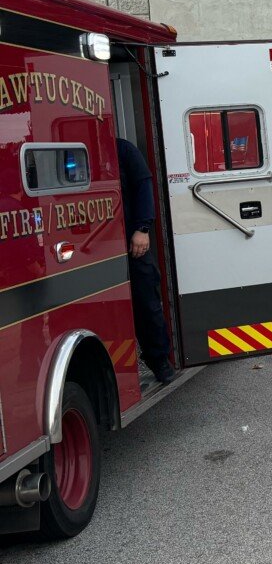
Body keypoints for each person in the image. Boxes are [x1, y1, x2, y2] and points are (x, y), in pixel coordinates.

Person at [116, 138, 175, 385]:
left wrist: (142, 228)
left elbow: (143, 186)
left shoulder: (122, 149)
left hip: (132, 243)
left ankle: (158, 360)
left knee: (147, 304)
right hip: (95, 246)